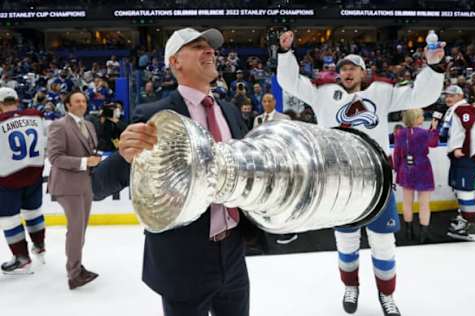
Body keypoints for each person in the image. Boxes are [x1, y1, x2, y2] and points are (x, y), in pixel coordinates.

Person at [277, 30, 445, 316]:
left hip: (377, 182)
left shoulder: (382, 92)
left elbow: (423, 94)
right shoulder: (323, 93)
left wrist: (433, 67)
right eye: (342, 67)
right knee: (346, 240)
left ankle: (387, 295)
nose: (346, 71)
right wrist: (285, 54)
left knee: (383, 243)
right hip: (342, 184)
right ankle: (350, 286)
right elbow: (290, 82)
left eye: (352, 67)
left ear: (364, 72)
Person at [91, 28, 250, 316]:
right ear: (175, 62)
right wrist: (125, 157)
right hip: (182, 260)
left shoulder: (231, 111)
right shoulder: (154, 116)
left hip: (234, 254)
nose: (209, 51)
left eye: (210, 47)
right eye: (198, 46)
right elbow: (98, 186)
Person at [47, 91, 102, 289]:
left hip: (85, 184)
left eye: (84, 101)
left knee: (81, 229)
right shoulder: (59, 125)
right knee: (76, 230)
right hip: (67, 186)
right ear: (68, 105)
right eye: (77, 101)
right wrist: (84, 162)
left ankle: (77, 266)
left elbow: (91, 151)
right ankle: (74, 274)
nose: (81, 104)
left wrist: (94, 160)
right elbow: (55, 158)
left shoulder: (88, 125)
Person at [0, 87, 47, 274]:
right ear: (17, 101)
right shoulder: (35, 115)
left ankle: (21, 258)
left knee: (9, 220)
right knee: (33, 212)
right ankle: (39, 246)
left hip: (8, 180)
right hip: (34, 176)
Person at [440, 85, 475, 241]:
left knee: (464, 191)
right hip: (461, 157)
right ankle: (463, 221)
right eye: (446, 95)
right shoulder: (456, 109)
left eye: (452, 95)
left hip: (465, 156)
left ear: (460, 96)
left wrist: (461, 148)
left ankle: (470, 229)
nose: (448, 98)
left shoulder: (463, 109)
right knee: (458, 189)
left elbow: (472, 130)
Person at [393, 109, 439, 243]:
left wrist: (397, 169)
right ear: (416, 118)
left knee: (407, 203)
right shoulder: (424, 133)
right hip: (422, 168)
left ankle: (408, 232)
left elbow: (397, 153)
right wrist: (434, 129)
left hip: (405, 168)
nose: (423, 118)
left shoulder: (400, 133)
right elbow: (434, 143)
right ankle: (423, 235)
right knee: (424, 204)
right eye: (421, 116)